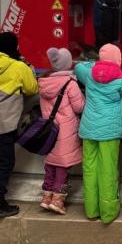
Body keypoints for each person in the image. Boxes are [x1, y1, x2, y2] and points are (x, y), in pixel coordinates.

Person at [75, 43, 122, 224]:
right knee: (108, 170)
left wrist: (97, 64)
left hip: (89, 130)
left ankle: (91, 210)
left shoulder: (89, 74)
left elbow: (78, 66)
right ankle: (108, 212)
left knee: (89, 169)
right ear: (118, 60)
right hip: (109, 132)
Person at [0, 32, 38, 219]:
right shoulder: (18, 66)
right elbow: (32, 88)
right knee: (4, 162)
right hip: (6, 122)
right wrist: (29, 68)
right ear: (13, 46)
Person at [37, 47, 85, 215]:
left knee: (50, 163)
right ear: (68, 64)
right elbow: (79, 107)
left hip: (49, 131)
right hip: (66, 130)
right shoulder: (70, 83)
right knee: (63, 165)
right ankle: (58, 200)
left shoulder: (44, 81)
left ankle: (46, 197)